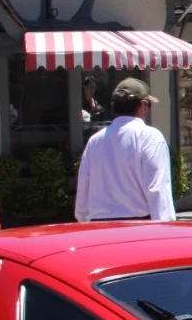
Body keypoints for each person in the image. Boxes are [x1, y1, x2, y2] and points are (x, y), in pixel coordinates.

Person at [75, 78, 176, 223]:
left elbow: (83, 191)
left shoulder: (95, 140)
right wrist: (165, 229)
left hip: (98, 226)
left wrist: (84, 225)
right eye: (149, 105)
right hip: (138, 227)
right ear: (142, 106)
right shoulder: (149, 137)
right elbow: (157, 189)